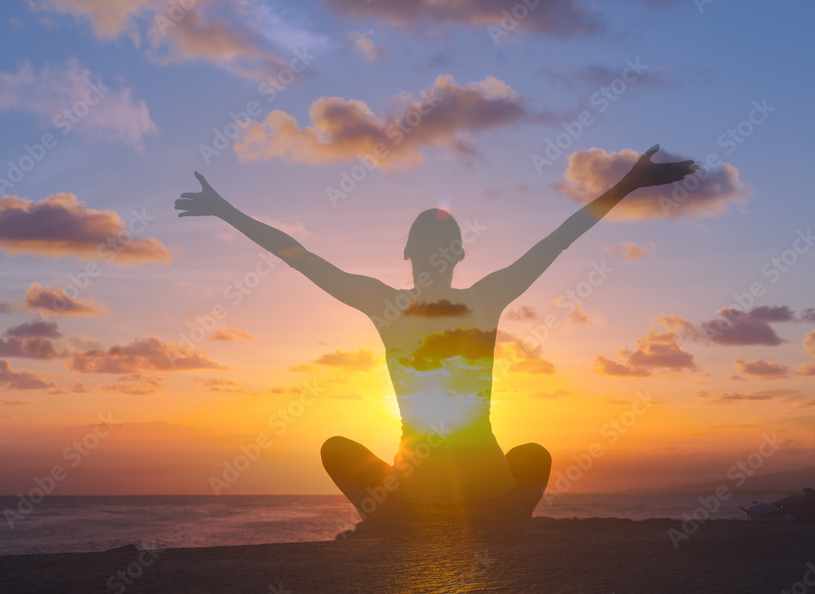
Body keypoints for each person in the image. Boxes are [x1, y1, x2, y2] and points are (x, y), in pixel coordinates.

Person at [175, 145, 697, 539]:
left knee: (339, 450)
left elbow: (298, 254)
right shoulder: (487, 297)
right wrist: (625, 186)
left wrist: (225, 210)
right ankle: (490, 525)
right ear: (445, 254)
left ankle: (404, 525)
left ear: (413, 253)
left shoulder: (387, 304)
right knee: (532, 456)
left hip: (411, 501)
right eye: (432, 246)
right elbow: (558, 238)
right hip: (487, 496)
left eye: (436, 246)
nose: (432, 255)